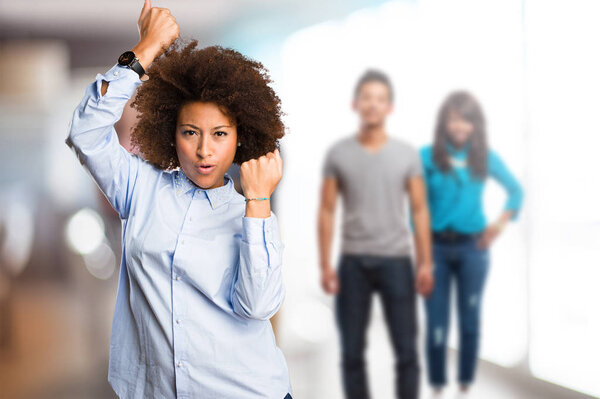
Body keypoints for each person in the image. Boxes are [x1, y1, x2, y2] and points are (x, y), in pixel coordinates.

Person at [65, 1, 293, 398]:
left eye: (220, 134)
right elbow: (85, 132)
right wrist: (144, 51)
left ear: (241, 138)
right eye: (191, 132)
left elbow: (257, 306)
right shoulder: (140, 188)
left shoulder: (249, 213)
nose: (205, 150)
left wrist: (258, 203)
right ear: (170, 132)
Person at [317, 69, 434, 399]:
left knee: (407, 353)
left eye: (380, 99)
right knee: (351, 354)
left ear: (389, 107)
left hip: (397, 261)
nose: (373, 104)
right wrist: (326, 264)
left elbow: (420, 210)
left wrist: (425, 263)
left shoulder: (406, 154)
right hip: (352, 262)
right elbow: (326, 209)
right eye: (367, 97)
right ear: (356, 104)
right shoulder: (338, 154)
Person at [420, 91, 524, 397]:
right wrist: (424, 259)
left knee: (469, 319)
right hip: (436, 248)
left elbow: (515, 192)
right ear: (444, 121)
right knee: (437, 323)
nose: (460, 126)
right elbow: (419, 209)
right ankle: (437, 385)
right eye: (454, 118)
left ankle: (465, 385)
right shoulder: (426, 156)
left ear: (475, 124)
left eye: (467, 119)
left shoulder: (486, 158)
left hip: (472, 250)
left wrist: (498, 226)